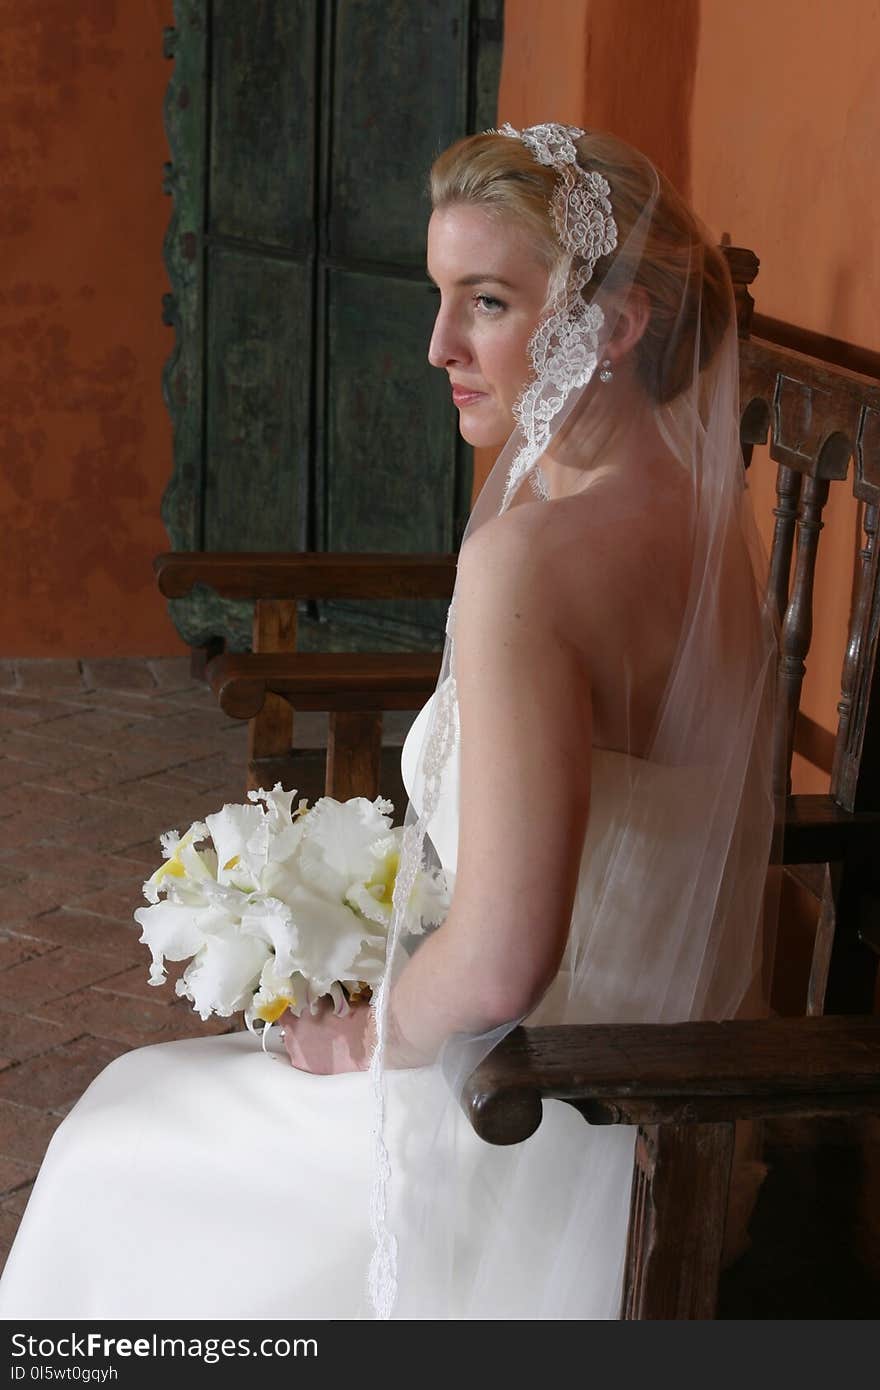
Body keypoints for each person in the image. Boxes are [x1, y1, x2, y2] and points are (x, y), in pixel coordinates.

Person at [0, 124, 776, 1321]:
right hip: (650, 1109)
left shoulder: (535, 559)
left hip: (526, 1126)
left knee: (121, 1135)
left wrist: (367, 1032)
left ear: (611, 327)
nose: (438, 348)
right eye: (440, 297)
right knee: (151, 1107)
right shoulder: (694, 518)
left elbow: (510, 953)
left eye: (486, 303)